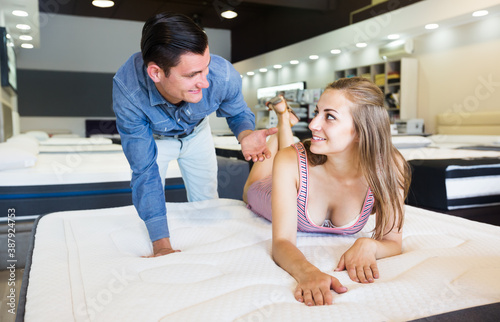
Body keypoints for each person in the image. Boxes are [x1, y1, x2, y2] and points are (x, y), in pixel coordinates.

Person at [113, 12, 276, 258]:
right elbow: (145, 173)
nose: (205, 82)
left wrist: (245, 134)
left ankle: (207, 247)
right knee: (150, 183)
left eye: (206, 68)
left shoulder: (222, 75)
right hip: (156, 137)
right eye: (191, 75)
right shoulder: (129, 91)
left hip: (197, 132)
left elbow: (237, 111)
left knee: (206, 198)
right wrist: (162, 246)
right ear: (156, 73)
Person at [243, 77, 411, 306]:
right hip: (268, 190)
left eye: (329, 116)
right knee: (255, 185)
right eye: (317, 112)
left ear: (363, 130)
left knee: (288, 157)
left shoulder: (390, 167)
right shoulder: (289, 161)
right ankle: (282, 123)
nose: (312, 124)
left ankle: (284, 122)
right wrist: (307, 272)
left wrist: (368, 245)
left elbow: (392, 241)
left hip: (295, 172)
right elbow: (282, 241)